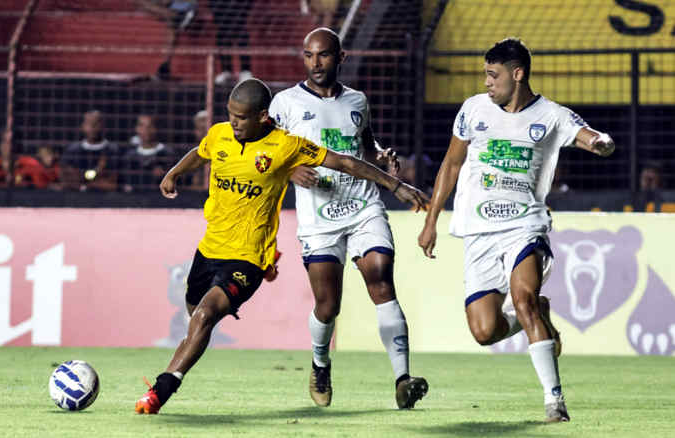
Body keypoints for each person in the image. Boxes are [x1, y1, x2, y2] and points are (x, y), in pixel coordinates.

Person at [134, 78, 428, 415]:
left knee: (204, 315)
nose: (234, 122)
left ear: (262, 116)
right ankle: (167, 381)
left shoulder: (286, 145)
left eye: (241, 117)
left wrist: (395, 184)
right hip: (209, 250)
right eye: (230, 114)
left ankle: (160, 391)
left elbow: (346, 161)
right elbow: (201, 152)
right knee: (195, 320)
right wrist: (175, 172)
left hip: (248, 258)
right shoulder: (220, 134)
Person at [417, 38, 615, 423]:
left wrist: (602, 143)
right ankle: (541, 314)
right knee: (485, 330)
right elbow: (452, 164)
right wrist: (431, 220)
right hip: (479, 230)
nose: (487, 82)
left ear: (517, 74)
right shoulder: (473, 109)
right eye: (485, 75)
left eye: (493, 75)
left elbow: (590, 136)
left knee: (522, 298)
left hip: (524, 225)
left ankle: (554, 401)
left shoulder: (552, 115)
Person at [268, 28, 429, 409]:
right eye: (309, 55)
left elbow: (363, 145)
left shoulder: (357, 100)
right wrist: (288, 172)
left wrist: (380, 157)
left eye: (323, 55)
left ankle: (402, 378)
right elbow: (263, 153)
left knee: (380, 276)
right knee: (328, 305)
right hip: (318, 217)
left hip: (362, 207)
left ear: (340, 58)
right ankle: (320, 363)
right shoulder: (285, 103)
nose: (315, 63)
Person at [60, 110, 120, 191]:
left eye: (96, 123)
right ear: (82, 126)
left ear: (103, 125)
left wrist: (85, 183)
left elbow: (112, 184)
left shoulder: (113, 151)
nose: (92, 126)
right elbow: (69, 180)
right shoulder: (72, 150)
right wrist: (98, 171)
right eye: (89, 123)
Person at [121, 114, 175, 192]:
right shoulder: (129, 156)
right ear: (136, 129)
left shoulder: (167, 154)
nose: (146, 130)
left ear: (156, 128)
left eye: (150, 126)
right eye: (141, 126)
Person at [208, 0, 253, 85]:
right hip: (221, 11)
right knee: (222, 38)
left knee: (242, 38)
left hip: (239, 10)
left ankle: (245, 71)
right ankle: (226, 71)